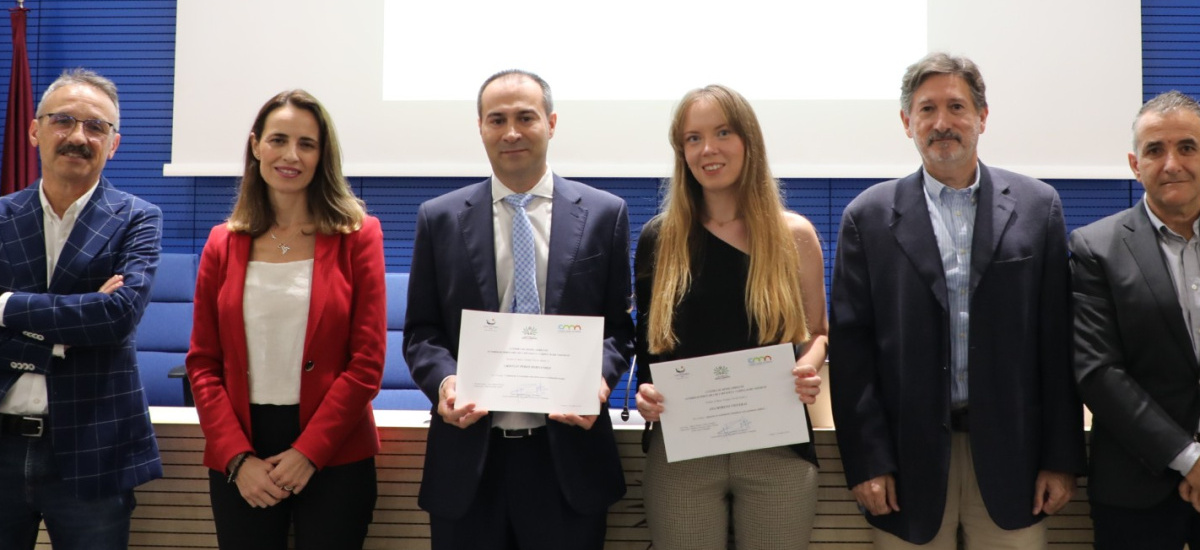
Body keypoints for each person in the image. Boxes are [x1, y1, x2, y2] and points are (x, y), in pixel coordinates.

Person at [828, 52, 1085, 548]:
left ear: (982, 117)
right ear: (907, 122)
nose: (942, 123)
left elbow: (1057, 344)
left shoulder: (1038, 207)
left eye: (957, 107)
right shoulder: (868, 216)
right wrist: (868, 461)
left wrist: (1061, 458)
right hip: (906, 464)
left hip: (1017, 459)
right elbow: (853, 355)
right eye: (926, 110)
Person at [403, 69, 634, 550]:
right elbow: (422, 332)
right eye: (497, 119)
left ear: (551, 123)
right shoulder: (439, 218)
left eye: (525, 117)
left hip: (566, 461)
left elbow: (620, 329)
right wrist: (446, 382)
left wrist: (600, 378)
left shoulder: (604, 213)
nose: (511, 132)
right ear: (481, 128)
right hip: (469, 462)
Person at [185, 89, 386, 550]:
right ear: (256, 146)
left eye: (307, 144)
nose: (290, 155)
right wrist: (236, 459)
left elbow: (367, 362)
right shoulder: (222, 242)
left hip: (335, 450)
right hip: (243, 451)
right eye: (278, 140)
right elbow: (203, 363)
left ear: (323, 155)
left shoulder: (358, 236)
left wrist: (308, 453)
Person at [632, 84, 827, 549]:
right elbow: (647, 348)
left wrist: (810, 365)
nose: (708, 149)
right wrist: (645, 394)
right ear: (681, 152)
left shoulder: (793, 235)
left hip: (776, 447)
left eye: (723, 132)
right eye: (693, 138)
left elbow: (819, 332)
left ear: (749, 142)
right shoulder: (659, 239)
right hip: (682, 449)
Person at [0, 68, 162, 550]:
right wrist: (78, 317)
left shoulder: (138, 218)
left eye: (96, 127)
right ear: (34, 130)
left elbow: (117, 317)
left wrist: (5, 305)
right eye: (63, 120)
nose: (78, 136)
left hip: (94, 447)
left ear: (113, 144)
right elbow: (96, 316)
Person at [1071, 90, 1200, 549]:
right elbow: (1099, 372)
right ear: (1134, 163)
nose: (1172, 163)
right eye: (1155, 150)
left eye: (1187, 147)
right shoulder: (1094, 248)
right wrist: (1189, 460)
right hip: (1136, 488)